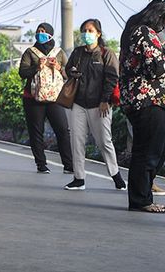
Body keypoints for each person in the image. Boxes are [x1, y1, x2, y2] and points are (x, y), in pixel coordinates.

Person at [119, 0, 165, 213]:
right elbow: (155, 68)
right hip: (147, 100)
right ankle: (141, 200)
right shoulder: (144, 33)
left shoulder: (137, 31)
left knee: (161, 146)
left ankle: (144, 190)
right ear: (160, 16)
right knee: (146, 151)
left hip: (149, 100)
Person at [64, 19, 126, 191]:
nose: (86, 34)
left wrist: (105, 100)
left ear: (98, 33)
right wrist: (72, 72)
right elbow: (68, 69)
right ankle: (79, 178)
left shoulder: (107, 54)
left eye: (90, 30)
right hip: (78, 103)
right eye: (84, 30)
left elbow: (112, 78)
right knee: (76, 141)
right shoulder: (77, 52)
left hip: (100, 105)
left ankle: (116, 175)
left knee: (104, 141)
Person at [18, 23, 73, 174]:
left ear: (50, 34)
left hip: (55, 98)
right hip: (33, 98)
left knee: (62, 130)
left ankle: (68, 165)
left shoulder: (59, 53)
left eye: (43, 31)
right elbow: (22, 72)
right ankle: (41, 164)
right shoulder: (30, 52)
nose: (39, 34)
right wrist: (37, 67)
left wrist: (58, 68)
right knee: (36, 132)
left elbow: (68, 74)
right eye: (38, 31)